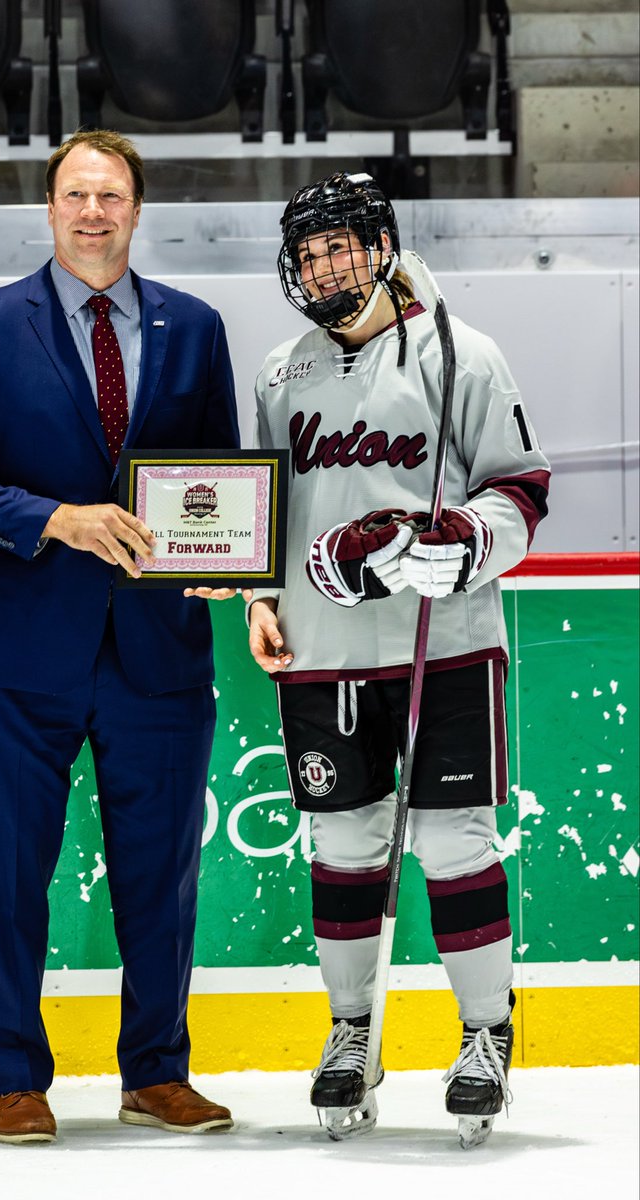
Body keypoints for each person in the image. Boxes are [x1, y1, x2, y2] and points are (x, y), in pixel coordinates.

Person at [0, 129, 240, 1143]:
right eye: (73, 195)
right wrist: (57, 520)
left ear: (136, 210)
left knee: (162, 875)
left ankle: (155, 1070)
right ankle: (14, 1077)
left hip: (157, 648)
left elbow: (219, 477)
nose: (91, 213)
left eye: (109, 196)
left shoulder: (194, 326)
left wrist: (231, 571)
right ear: (49, 209)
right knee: (9, 873)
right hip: (21, 651)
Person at [245, 172, 550, 1144]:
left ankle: (484, 1036)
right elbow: (262, 514)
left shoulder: (460, 351)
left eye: (340, 244)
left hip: (447, 644)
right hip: (322, 655)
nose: (324, 264)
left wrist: (461, 540)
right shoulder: (277, 374)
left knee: (453, 842)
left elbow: (520, 488)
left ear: (378, 245)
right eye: (308, 252)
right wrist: (256, 595)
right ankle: (350, 1035)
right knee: (340, 849)